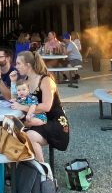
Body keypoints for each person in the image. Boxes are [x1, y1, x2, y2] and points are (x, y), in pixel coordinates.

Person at [14, 51, 70, 180]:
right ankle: (18, 171)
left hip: (55, 122)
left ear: (28, 65)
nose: (16, 66)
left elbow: (46, 107)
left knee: (30, 136)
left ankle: (44, 174)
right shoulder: (25, 81)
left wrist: (22, 108)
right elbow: (18, 100)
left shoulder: (45, 80)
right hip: (37, 119)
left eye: (18, 63)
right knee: (12, 131)